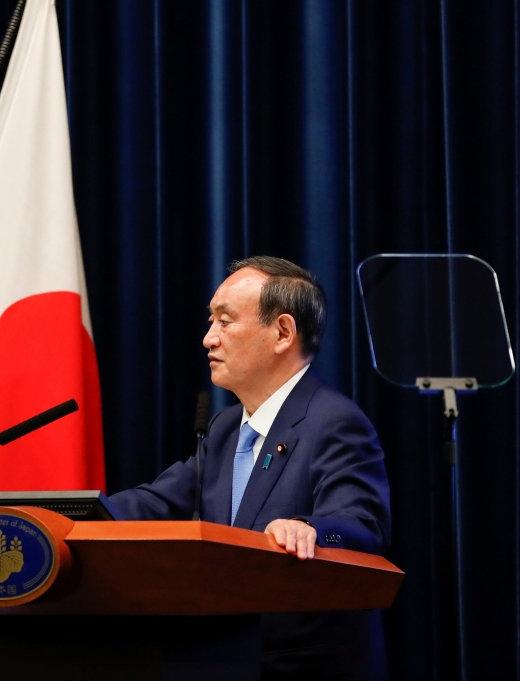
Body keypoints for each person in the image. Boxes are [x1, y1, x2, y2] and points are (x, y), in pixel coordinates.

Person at [109, 256, 391, 681]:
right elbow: (156, 501)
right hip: (226, 656)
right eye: (211, 322)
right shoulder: (225, 427)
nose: (208, 339)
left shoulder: (334, 421)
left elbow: (363, 524)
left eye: (224, 322)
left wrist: (308, 527)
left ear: (282, 333)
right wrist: (72, 518)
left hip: (304, 665)